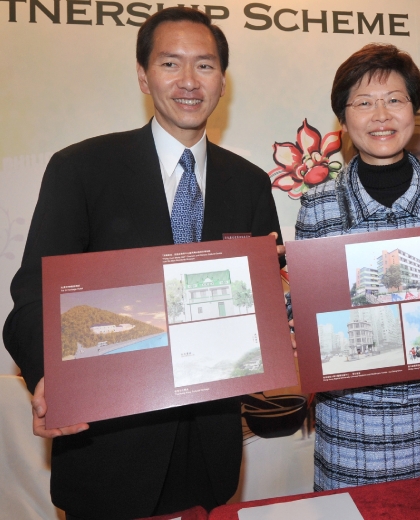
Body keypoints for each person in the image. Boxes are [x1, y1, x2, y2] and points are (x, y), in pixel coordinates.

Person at [3, 7, 284, 519]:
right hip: (107, 448)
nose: (188, 82)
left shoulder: (249, 183)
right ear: (142, 75)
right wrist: (50, 377)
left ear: (223, 79)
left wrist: (279, 299)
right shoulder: (81, 169)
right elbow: (33, 294)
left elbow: (262, 307)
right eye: (170, 64)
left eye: (204, 65)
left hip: (208, 452)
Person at [295, 43, 420, 491]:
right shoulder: (317, 207)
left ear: (413, 111)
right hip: (355, 429)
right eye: (363, 102)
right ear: (344, 119)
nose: (381, 114)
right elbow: (310, 314)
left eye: (394, 99)